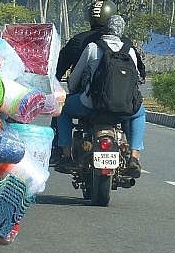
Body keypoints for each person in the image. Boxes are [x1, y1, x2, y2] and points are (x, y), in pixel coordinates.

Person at [55, 15, 145, 178]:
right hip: (123, 108)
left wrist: (73, 89)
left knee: (62, 110)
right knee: (140, 114)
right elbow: (137, 79)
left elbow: (74, 79)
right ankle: (134, 157)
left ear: (105, 28)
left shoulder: (92, 47)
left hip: (91, 105)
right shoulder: (130, 50)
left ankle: (66, 155)